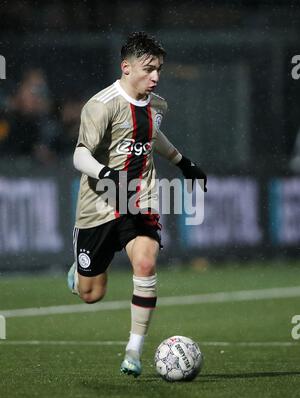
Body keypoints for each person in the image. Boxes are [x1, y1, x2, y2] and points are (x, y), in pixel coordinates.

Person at [67, 32, 207, 377]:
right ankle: (79, 273)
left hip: (139, 200)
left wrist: (182, 161)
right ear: (126, 68)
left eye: (158, 69)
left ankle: (133, 351)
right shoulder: (101, 106)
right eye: (148, 69)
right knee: (91, 294)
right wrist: (107, 174)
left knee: (145, 265)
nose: (155, 76)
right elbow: (79, 154)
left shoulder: (157, 105)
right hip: (97, 206)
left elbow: (149, 134)